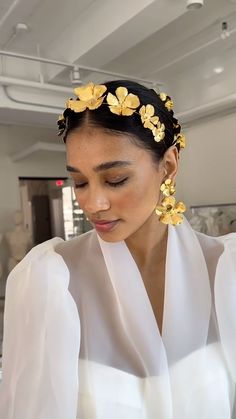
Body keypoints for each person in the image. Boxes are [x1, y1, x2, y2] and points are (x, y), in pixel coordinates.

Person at [0, 80, 235, 419]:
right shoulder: (49, 283)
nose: (92, 204)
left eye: (115, 180)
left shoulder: (227, 273)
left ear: (167, 166)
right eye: (79, 182)